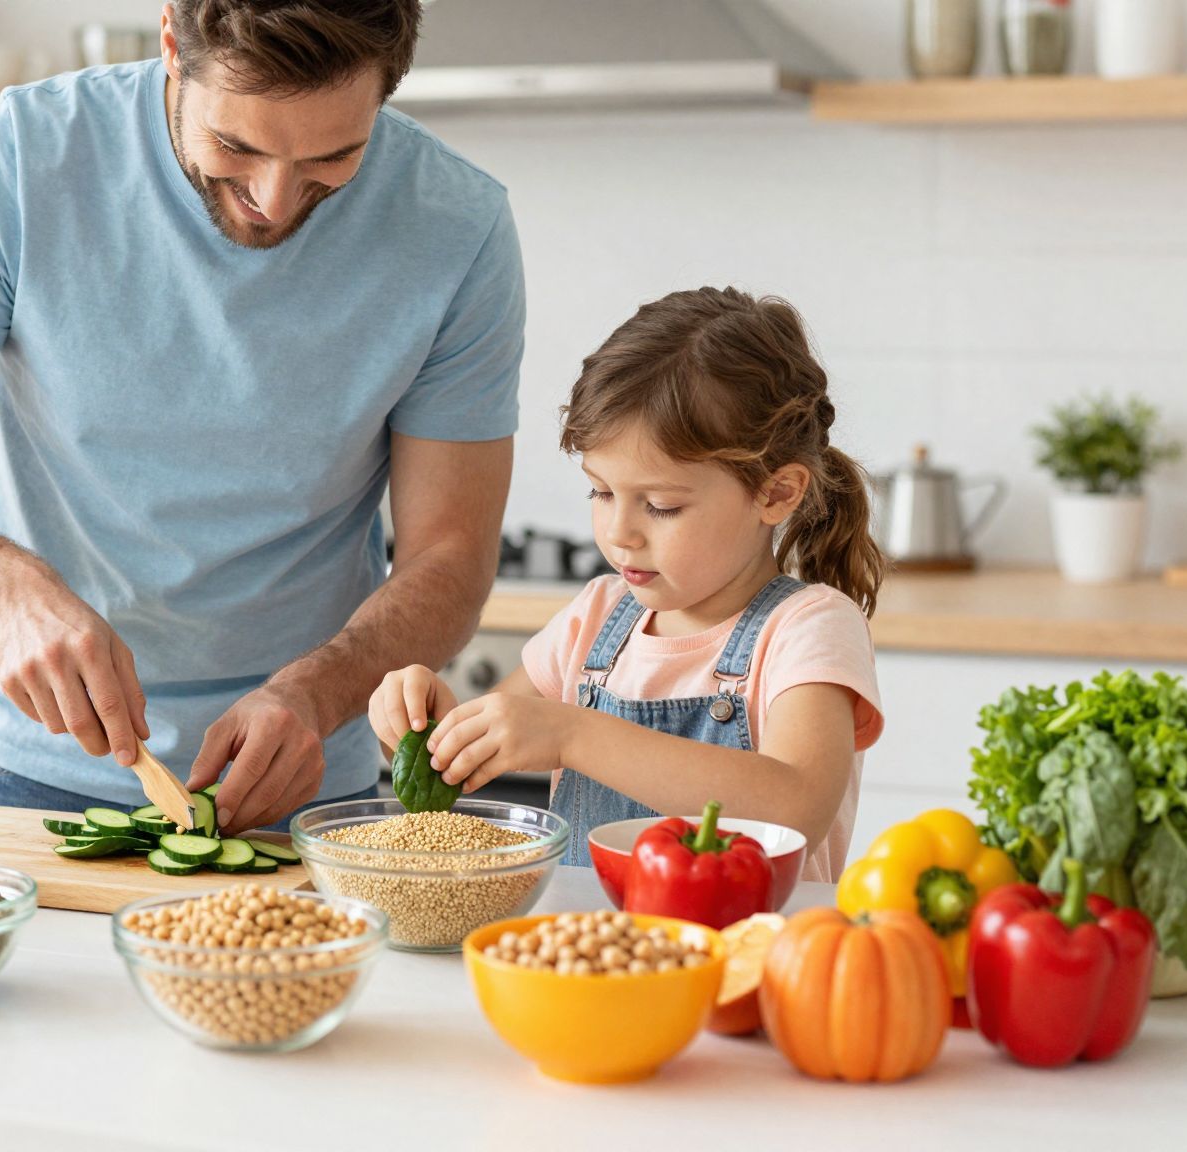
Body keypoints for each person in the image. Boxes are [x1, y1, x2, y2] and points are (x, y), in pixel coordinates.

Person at [0, 0, 524, 833]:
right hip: (34, 777)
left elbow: (450, 557)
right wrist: (12, 594)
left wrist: (314, 693)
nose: (273, 198)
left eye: (335, 158)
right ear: (170, 47)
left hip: (301, 783)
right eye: (236, 146)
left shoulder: (457, 229)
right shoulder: (19, 158)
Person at [368, 288, 885, 878]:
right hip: (599, 957)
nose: (619, 534)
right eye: (602, 492)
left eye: (661, 505)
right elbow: (467, 756)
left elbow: (794, 808)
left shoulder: (808, 628)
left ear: (776, 493)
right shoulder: (597, 616)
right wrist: (421, 724)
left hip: (748, 959)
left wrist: (574, 736)